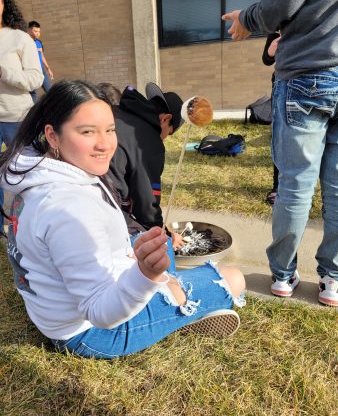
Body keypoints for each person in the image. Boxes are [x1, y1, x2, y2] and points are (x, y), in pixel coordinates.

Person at [0, 79, 246, 359]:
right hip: (91, 333)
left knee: (163, 257)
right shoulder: (67, 210)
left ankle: (172, 301)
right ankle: (178, 314)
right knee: (234, 279)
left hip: (51, 313)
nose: (105, 144)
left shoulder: (37, 173)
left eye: (109, 129)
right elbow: (100, 312)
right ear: (53, 136)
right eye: (87, 131)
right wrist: (147, 275)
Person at [222, 0, 338, 306]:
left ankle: (284, 275)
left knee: (295, 185)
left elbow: (283, 1)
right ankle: (333, 277)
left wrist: (247, 18)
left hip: (308, 70)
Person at [106, 82, 186, 251]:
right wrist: (165, 235)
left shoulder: (117, 112)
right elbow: (147, 205)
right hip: (106, 209)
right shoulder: (149, 142)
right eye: (168, 133)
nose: (164, 139)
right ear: (166, 119)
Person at [0, 0, 44, 236]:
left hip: (17, 118)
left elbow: (35, 79)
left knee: (24, 175)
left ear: (5, 3)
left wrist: (4, 73)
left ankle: (26, 226)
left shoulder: (20, 38)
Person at [262, 32, 280, 206]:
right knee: (279, 137)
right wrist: (272, 48)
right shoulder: (275, 32)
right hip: (281, 87)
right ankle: (277, 187)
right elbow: (266, 59)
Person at [28, 20, 54, 102]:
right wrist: (35, 49)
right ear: (29, 30)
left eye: (39, 31)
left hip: (41, 69)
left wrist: (48, 68)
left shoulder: (39, 42)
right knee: (33, 93)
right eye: (35, 31)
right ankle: (33, 113)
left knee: (50, 90)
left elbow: (42, 56)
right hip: (30, 69)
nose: (38, 33)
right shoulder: (25, 41)